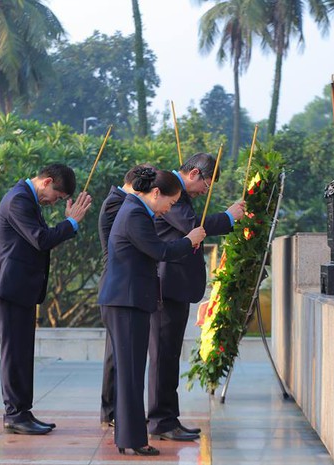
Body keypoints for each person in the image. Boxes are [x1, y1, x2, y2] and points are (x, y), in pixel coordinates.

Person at [98, 167, 206, 456]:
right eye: (169, 204)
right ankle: (132, 439)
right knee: (131, 374)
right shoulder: (134, 212)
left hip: (129, 300)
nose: (167, 210)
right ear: (155, 193)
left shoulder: (137, 210)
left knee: (131, 372)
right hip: (125, 301)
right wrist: (190, 239)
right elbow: (160, 251)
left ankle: (129, 437)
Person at [148, 152, 245, 441]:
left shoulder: (179, 193)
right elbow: (193, 224)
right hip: (167, 285)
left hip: (175, 286)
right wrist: (229, 217)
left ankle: (167, 417)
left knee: (168, 354)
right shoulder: (170, 191)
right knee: (163, 355)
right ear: (194, 174)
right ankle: (161, 420)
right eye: (207, 183)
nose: (206, 190)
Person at [0, 164, 92, 435]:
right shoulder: (18, 200)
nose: (54, 203)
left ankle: (23, 410)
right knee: (14, 354)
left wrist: (69, 224)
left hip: (21, 289)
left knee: (23, 353)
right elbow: (40, 239)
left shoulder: (26, 198)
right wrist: (71, 222)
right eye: (56, 197)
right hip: (10, 289)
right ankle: (14, 413)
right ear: (46, 182)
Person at [98, 164, 152, 427]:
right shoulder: (118, 204)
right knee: (117, 356)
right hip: (119, 285)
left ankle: (115, 411)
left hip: (121, 284)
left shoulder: (124, 203)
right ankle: (113, 411)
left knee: (118, 354)